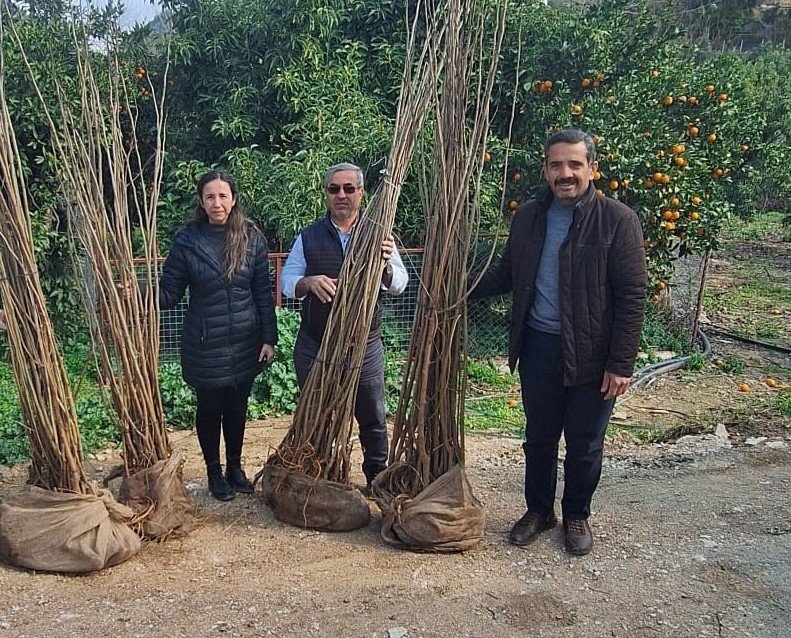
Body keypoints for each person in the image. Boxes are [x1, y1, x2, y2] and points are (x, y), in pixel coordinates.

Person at [469, 129, 646, 555]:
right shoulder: (530, 216)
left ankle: (577, 515)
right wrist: (461, 287)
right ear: (546, 170)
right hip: (539, 347)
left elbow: (632, 295)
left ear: (592, 169)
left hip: (592, 352)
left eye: (574, 164)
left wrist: (620, 363)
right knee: (540, 437)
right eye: (556, 165)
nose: (564, 173)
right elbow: (509, 274)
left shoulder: (617, 220)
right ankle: (539, 510)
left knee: (584, 443)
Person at [280, 162, 408, 490]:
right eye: (334, 189)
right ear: (326, 194)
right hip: (316, 344)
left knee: (373, 417)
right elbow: (286, 281)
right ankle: (318, 477)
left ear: (361, 193)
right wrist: (308, 282)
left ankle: (376, 479)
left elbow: (401, 283)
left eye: (349, 189)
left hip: (363, 345)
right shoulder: (308, 236)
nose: (341, 195)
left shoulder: (379, 235)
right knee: (315, 410)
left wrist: (385, 269)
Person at [159, 170, 278, 501]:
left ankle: (235, 469)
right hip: (205, 342)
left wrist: (269, 337)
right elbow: (169, 293)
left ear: (233, 199)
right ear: (201, 201)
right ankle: (214, 471)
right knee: (210, 409)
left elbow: (263, 293)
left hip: (245, 340)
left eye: (223, 196)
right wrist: (136, 293)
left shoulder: (251, 239)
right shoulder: (187, 241)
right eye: (210, 196)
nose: (217, 203)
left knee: (237, 409)